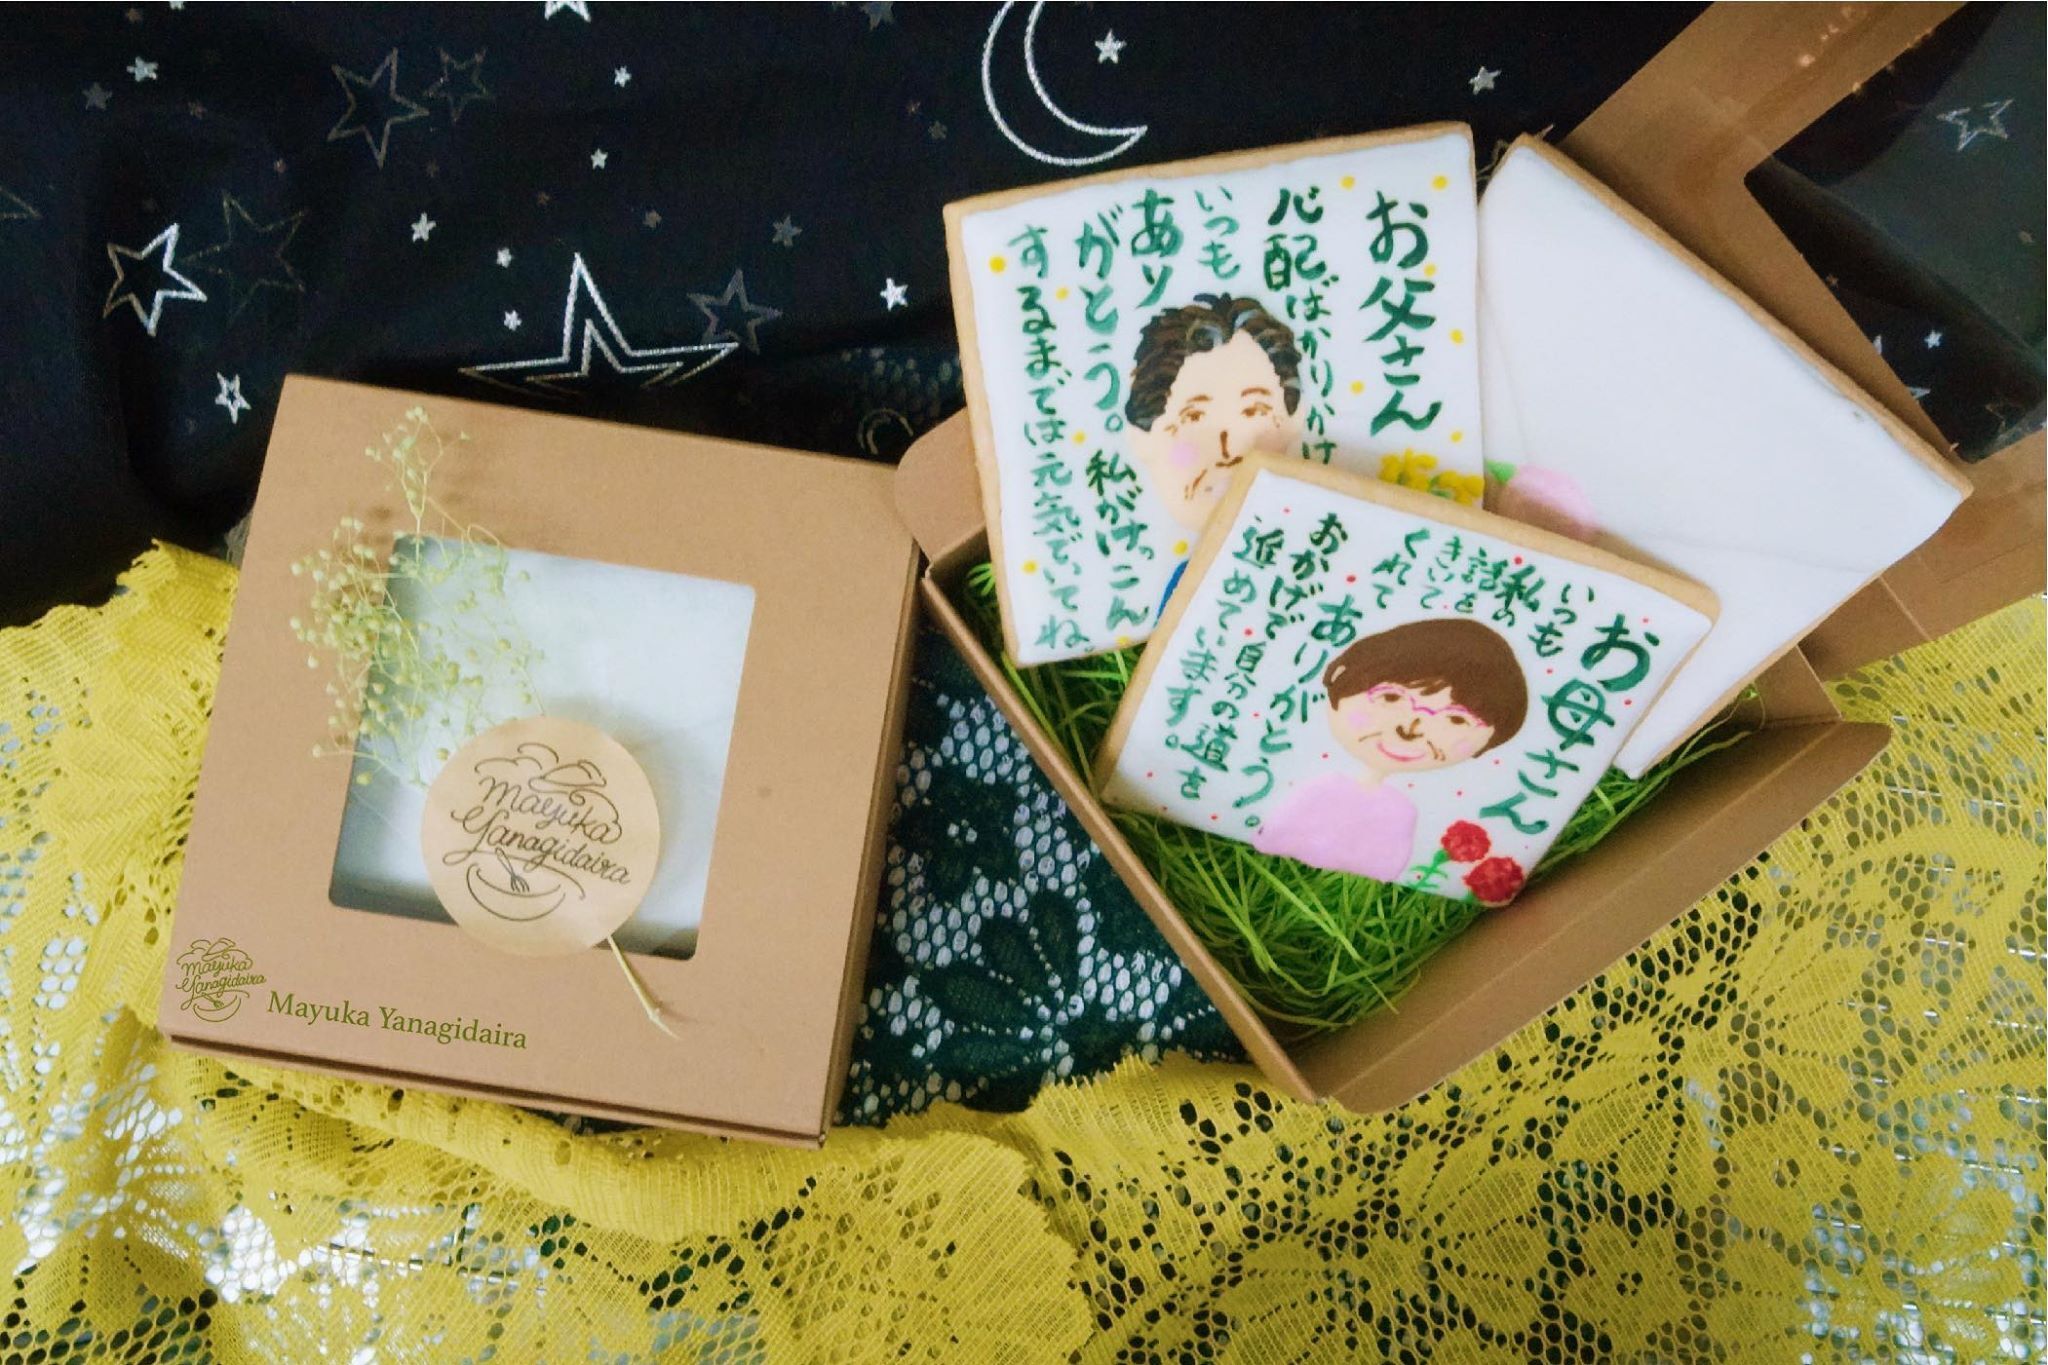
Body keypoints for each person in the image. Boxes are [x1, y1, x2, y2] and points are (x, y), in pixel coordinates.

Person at [1250, 618, 1528, 881]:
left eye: (1456, 719)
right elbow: (1272, 836)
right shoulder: (1322, 788)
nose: (1411, 729)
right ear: (1341, 675)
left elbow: (1386, 868)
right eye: (1392, 697)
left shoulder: (1400, 814)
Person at [1125, 295, 1305, 613]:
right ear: (1142, 435)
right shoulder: (1184, 599)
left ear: (1293, 420)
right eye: (1195, 417)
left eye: (1254, 411)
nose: (1230, 451)